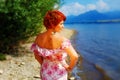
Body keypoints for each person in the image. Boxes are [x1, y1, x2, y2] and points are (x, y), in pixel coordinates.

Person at [31, 10, 78, 80]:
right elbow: (75, 56)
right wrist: (69, 68)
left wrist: (43, 64)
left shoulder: (39, 37)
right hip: (59, 73)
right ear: (53, 24)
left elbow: (36, 56)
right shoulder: (62, 40)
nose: (63, 26)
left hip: (45, 71)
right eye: (61, 24)